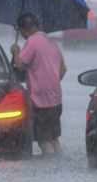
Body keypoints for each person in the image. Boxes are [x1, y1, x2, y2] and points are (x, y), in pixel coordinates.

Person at [10, 13, 67, 156]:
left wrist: (16, 51)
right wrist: (50, 82)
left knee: (43, 141)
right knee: (54, 139)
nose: (22, 35)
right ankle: (58, 164)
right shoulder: (51, 42)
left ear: (24, 29)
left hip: (40, 101)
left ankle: (48, 173)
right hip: (55, 99)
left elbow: (20, 65)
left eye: (21, 31)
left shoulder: (32, 42)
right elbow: (63, 68)